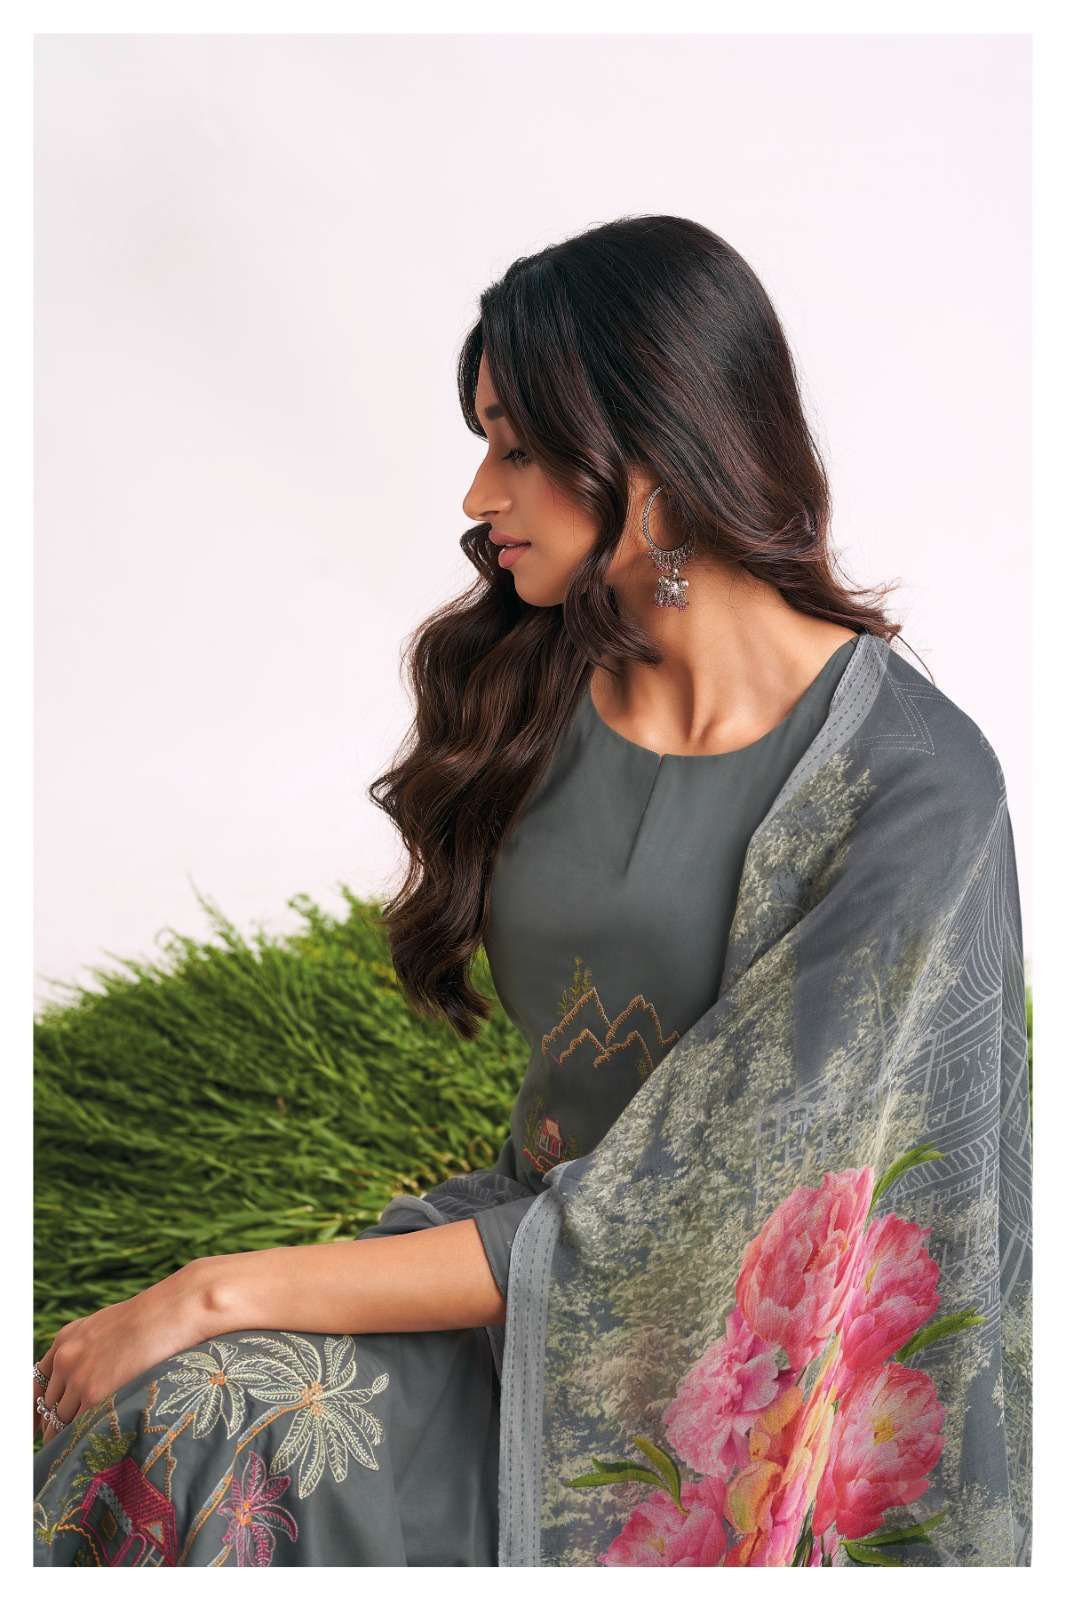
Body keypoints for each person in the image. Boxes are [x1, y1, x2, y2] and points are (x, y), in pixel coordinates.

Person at [33, 215, 1027, 1567]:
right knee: (153, 1412)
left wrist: (216, 1290)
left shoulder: (913, 787)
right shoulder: (541, 682)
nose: (475, 495)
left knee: (208, 1407)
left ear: (650, 451)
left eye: (514, 446)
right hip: (507, 1291)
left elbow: (696, 1217)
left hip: (723, 1405)